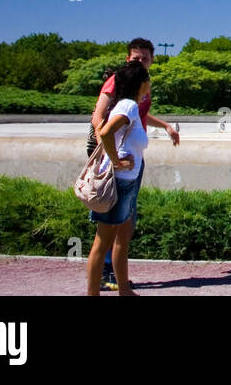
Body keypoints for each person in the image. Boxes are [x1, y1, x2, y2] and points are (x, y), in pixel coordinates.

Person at [87, 38, 179, 290]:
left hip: (128, 164)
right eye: (136, 58)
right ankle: (107, 274)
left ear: (152, 60)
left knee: (123, 227)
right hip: (117, 166)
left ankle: (121, 283)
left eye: (145, 58)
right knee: (111, 230)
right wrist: (110, 157)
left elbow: (136, 115)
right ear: (128, 58)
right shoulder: (118, 81)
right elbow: (100, 119)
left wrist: (166, 126)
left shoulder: (138, 90)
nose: (141, 61)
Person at [85, 60, 151, 296]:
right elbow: (104, 132)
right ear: (141, 84)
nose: (149, 84)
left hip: (127, 182)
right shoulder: (128, 106)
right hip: (119, 182)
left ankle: (124, 290)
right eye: (147, 80)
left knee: (122, 239)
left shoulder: (129, 105)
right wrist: (116, 162)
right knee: (102, 242)